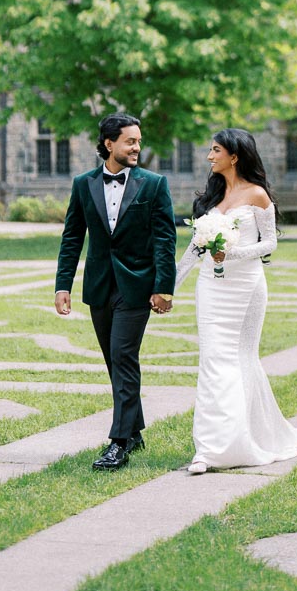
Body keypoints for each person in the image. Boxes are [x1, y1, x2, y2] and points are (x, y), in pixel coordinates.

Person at [176, 127, 297, 474]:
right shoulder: (210, 200)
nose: (209, 156)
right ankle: (210, 448)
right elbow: (193, 250)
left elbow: (270, 243)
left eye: (215, 150)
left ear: (234, 156)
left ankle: (244, 438)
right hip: (211, 288)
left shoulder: (257, 195)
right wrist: (169, 287)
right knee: (212, 360)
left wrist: (233, 252)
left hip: (246, 289)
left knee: (241, 359)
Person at [55, 112, 177, 471]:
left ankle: (118, 442)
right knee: (114, 359)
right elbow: (72, 236)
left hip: (137, 286)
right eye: (130, 141)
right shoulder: (83, 184)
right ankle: (134, 430)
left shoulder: (154, 184)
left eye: (139, 141)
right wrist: (63, 284)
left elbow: (164, 239)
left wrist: (163, 288)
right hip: (99, 286)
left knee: (123, 356)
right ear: (109, 144)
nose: (137, 147)